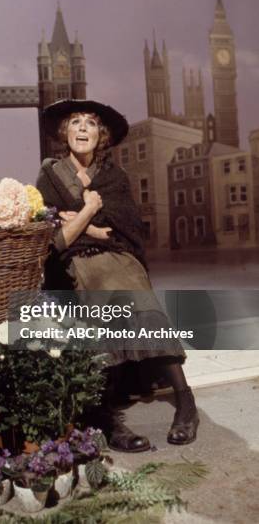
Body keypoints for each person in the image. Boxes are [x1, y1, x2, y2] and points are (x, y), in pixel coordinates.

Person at [36, 99, 199, 452]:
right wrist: (92, 212)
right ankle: (104, 416)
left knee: (135, 289)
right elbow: (57, 241)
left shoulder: (114, 177)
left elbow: (125, 232)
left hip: (117, 257)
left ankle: (185, 402)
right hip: (74, 266)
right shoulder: (49, 174)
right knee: (104, 294)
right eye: (74, 122)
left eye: (90, 123)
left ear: (101, 135)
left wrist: (86, 226)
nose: (82, 128)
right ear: (64, 133)